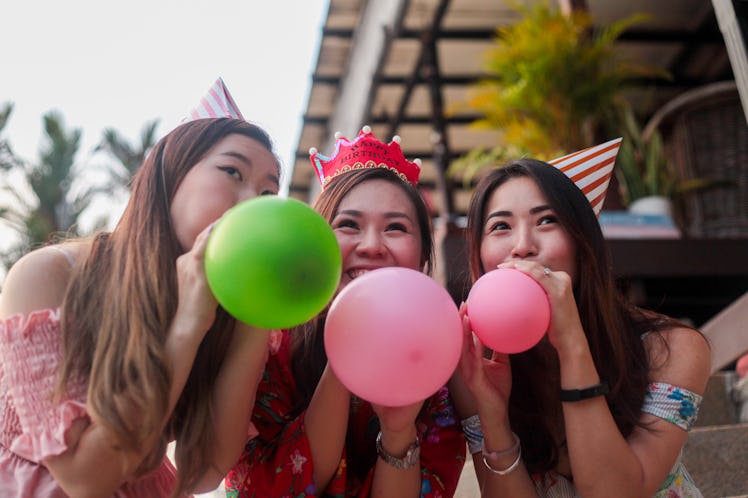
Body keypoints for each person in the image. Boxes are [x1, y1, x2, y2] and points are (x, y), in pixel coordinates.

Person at [0, 79, 281, 497]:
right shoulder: (50, 274)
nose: (250, 203)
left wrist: (257, 316)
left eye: (267, 193)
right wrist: (187, 323)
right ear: (170, 175)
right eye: (232, 171)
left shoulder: (237, 316)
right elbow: (83, 478)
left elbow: (203, 470)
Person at [450, 143, 711, 497]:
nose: (523, 246)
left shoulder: (673, 348)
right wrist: (494, 418)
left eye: (547, 220)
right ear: (478, 256)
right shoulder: (473, 368)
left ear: (582, 242)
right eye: (500, 227)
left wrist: (573, 345)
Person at [225, 127, 466, 497]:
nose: (371, 246)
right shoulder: (268, 344)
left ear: (422, 256)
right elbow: (266, 486)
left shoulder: (443, 359)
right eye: (349, 225)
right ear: (316, 245)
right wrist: (347, 349)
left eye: (396, 228)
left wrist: (399, 432)